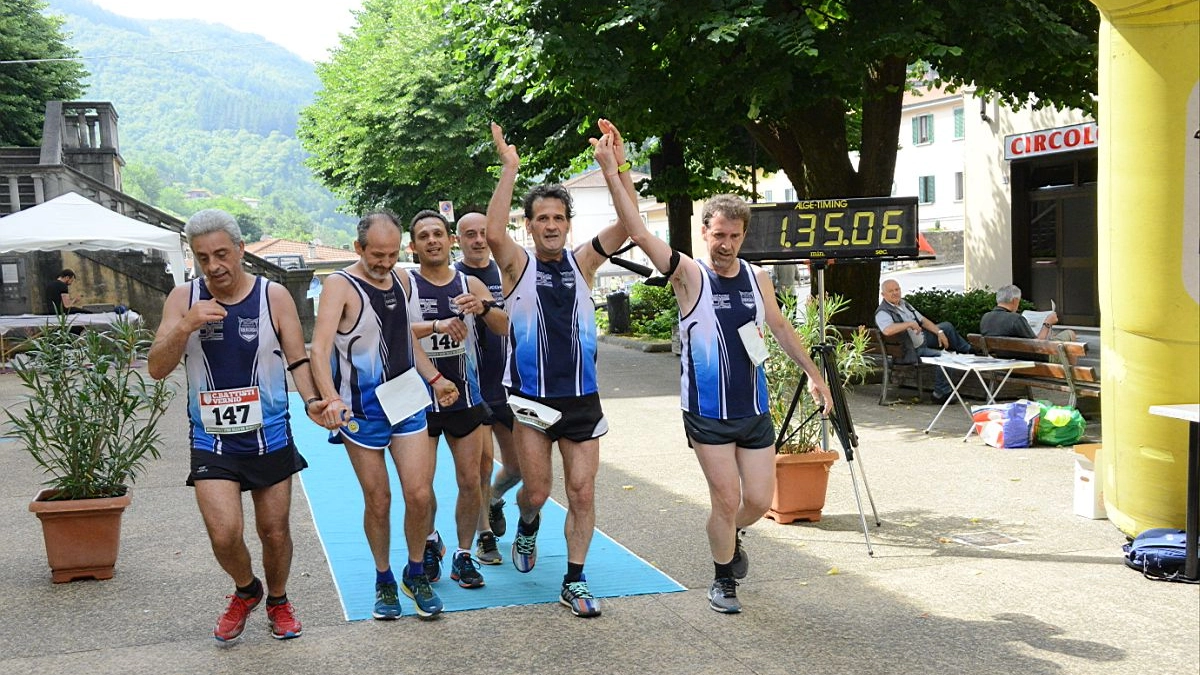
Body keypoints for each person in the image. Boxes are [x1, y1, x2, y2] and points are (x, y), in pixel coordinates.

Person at [590, 120, 832, 614]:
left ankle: (733, 535)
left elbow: (782, 330)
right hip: (707, 411)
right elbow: (635, 228)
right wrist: (614, 171)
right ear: (704, 233)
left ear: (744, 235)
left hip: (753, 407)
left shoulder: (757, 277)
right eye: (718, 234)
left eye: (735, 236)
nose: (726, 244)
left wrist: (813, 373)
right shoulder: (686, 274)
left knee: (758, 502)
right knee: (724, 499)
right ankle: (723, 580)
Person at [147, 209, 326, 642]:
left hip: (270, 433)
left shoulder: (272, 295)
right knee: (225, 534)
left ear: (241, 249)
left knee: (274, 530)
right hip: (211, 437)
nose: (214, 266)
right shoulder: (183, 299)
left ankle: (279, 600)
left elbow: (296, 356)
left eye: (222, 254)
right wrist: (187, 324)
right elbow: (156, 366)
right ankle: (247, 590)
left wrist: (314, 400)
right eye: (203, 257)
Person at [483, 122, 634, 618]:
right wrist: (509, 169)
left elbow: (631, 226)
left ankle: (574, 580)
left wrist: (615, 169)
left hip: (581, 399)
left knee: (583, 490)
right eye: (541, 218)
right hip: (531, 399)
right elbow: (490, 232)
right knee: (540, 490)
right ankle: (527, 524)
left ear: (568, 224)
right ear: (529, 225)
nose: (550, 225)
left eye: (558, 218)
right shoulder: (516, 265)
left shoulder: (583, 262)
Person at [308, 211, 460, 620]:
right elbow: (318, 350)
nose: (385, 263)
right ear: (358, 248)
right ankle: (383, 579)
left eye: (392, 254)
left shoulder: (403, 279)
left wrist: (436, 379)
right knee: (378, 499)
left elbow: (406, 339)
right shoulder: (340, 285)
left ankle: (415, 571)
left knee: (420, 494)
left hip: (407, 397)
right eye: (377, 255)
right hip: (360, 408)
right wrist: (329, 398)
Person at [407, 209, 509, 588]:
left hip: (465, 397)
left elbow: (503, 326)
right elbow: (393, 330)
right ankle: (431, 542)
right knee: (420, 487)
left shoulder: (468, 282)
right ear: (413, 245)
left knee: (470, 479)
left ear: (450, 240)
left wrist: (482, 308)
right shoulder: (406, 283)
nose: (432, 240)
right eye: (424, 235)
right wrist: (433, 325)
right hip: (420, 401)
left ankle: (464, 556)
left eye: (438, 233)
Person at [454, 211, 521, 565]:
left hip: (511, 385)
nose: (479, 240)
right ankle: (483, 538)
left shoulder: (508, 270)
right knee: (480, 467)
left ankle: (494, 499)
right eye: (470, 234)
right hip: (474, 388)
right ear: (458, 239)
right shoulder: (453, 278)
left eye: (483, 233)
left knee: (518, 468)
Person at [875, 279, 972, 404]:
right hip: (910, 351)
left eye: (897, 289)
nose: (895, 293)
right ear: (883, 295)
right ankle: (940, 393)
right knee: (946, 357)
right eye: (890, 291)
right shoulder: (883, 312)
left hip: (921, 339)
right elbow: (887, 330)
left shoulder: (904, 304)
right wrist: (908, 324)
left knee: (945, 327)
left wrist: (939, 332)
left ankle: (968, 351)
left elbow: (922, 320)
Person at [980, 284, 1075, 341]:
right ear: (1015, 301)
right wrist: (1047, 323)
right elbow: (1037, 345)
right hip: (1027, 361)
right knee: (1069, 334)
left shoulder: (985, 317)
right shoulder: (1015, 319)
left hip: (1001, 358)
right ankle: (1070, 372)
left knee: (1054, 336)